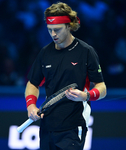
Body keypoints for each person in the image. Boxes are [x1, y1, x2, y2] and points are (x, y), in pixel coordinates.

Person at [24, 2, 107, 150]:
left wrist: (85, 96)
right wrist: (31, 105)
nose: (53, 34)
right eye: (50, 30)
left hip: (73, 128)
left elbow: (102, 88)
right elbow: (33, 84)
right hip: (47, 127)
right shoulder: (44, 53)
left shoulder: (86, 52)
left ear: (69, 26)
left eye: (57, 30)